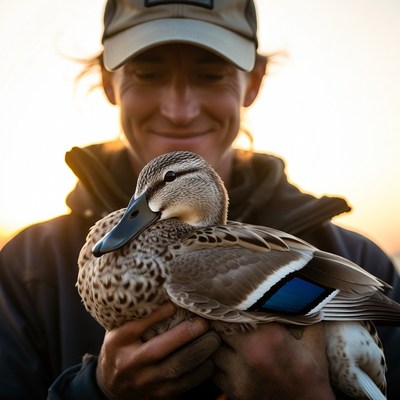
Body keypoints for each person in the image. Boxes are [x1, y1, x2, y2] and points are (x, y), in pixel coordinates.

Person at [0, 1, 399, 399]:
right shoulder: (25, 272)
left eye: (210, 75)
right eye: (148, 74)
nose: (179, 111)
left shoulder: (361, 257)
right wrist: (95, 391)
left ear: (254, 81)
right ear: (108, 81)